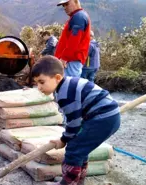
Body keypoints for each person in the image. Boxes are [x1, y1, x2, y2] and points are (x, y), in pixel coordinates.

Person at [30, 56, 120, 185]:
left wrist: (63, 140)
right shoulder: (68, 84)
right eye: (36, 83)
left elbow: (74, 123)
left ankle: (68, 182)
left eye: (42, 82)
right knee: (81, 149)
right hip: (108, 116)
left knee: (74, 150)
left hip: (102, 119)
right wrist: (66, 137)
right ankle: (77, 180)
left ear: (57, 78)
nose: (38, 87)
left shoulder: (65, 94)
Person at [54, 0, 91, 77]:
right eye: (63, 5)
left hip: (70, 62)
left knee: (67, 86)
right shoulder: (76, 16)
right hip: (70, 61)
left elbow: (74, 40)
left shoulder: (79, 17)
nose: (64, 7)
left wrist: (64, 58)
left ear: (76, 1)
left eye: (67, 4)